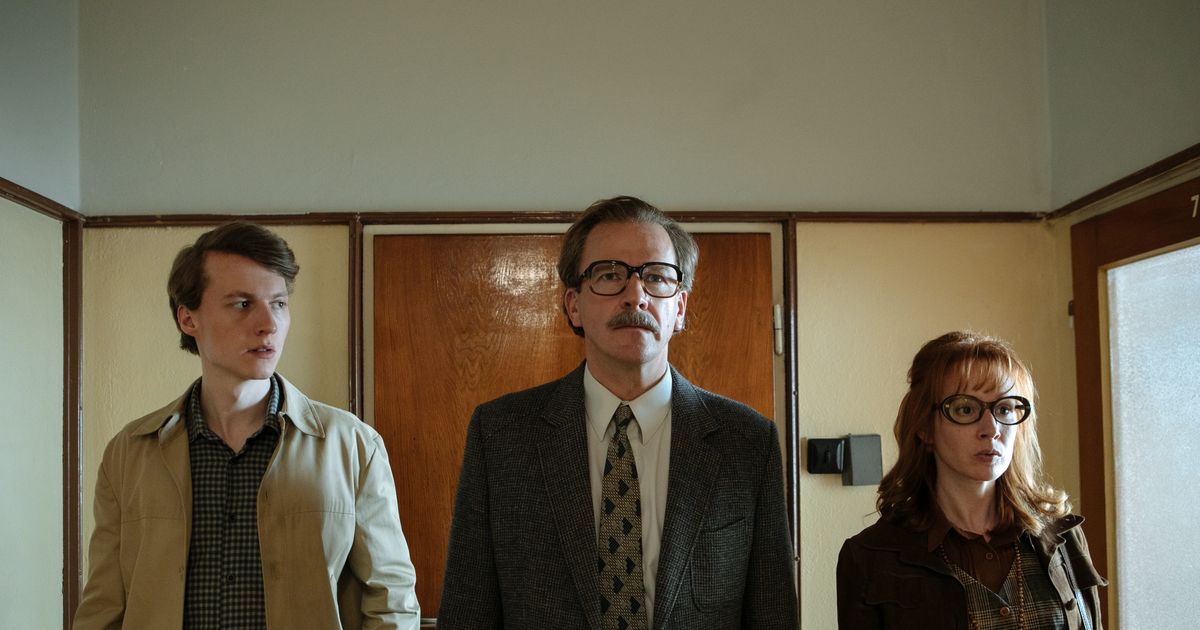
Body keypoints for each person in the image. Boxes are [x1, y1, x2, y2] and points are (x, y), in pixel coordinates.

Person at [437, 196, 798, 630]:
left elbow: (773, 614)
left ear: (680, 308)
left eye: (656, 277)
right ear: (574, 305)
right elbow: (468, 612)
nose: (636, 296)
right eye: (610, 275)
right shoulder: (501, 435)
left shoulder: (748, 441)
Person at [74, 222, 420, 629]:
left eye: (279, 303)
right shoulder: (131, 452)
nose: (268, 324)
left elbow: (391, 601)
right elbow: (104, 606)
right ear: (188, 318)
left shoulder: (352, 446)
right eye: (242, 304)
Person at [837, 331, 1106, 629]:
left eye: (1004, 409)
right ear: (925, 427)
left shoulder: (1061, 536)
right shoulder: (871, 557)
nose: (991, 429)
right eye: (965, 409)